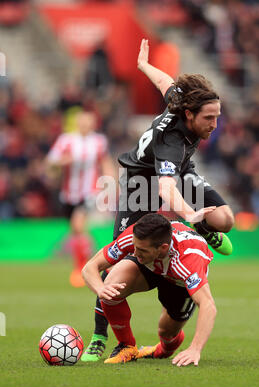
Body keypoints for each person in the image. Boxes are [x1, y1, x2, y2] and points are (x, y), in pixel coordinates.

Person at [82, 38, 234, 361]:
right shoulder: (172, 143)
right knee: (114, 268)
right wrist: (190, 215)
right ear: (190, 115)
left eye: (217, 116)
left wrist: (144, 66)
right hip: (142, 184)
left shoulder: (182, 102)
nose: (215, 125)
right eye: (210, 118)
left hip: (181, 170)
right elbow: (165, 189)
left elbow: (167, 84)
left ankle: (206, 231)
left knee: (227, 219)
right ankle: (99, 334)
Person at [82, 213, 217, 367]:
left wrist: (195, 349)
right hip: (149, 265)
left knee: (166, 332)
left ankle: (163, 350)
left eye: (141, 250)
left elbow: (208, 305)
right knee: (110, 284)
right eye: (135, 247)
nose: (135, 252)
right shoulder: (136, 238)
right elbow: (89, 267)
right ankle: (126, 346)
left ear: (163, 248)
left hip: (178, 282)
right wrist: (100, 289)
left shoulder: (188, 260)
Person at [46, 109, 116, 287]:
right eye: (82, 121)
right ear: (77, 123)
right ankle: (99, 259)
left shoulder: (98, 141)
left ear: (93, 124)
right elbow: (50, 163)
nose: (86, 125)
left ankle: (80, 270)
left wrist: (112, 182)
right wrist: (63, 161)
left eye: (89, 122)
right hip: (69, 194)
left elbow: (105, 162)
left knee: (78, 225)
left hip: (90, 192)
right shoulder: (66, 140)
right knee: (77, 231)